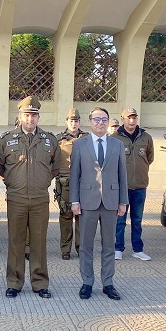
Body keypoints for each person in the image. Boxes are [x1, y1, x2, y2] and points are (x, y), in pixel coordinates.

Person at [0, 96, 61, 299]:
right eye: (26, 115)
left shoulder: (50, 140)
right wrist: (12, 182)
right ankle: (14, 283)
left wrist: (41, 182)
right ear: (20, 116)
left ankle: (40, 282)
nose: (30, 120)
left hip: (40, 199)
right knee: (15, 241)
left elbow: (55, 167)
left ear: (38, 117)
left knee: (39, 241)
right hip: (16, 198)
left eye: (33, 116)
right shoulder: (7, 140)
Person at [69, 107, 127, 300]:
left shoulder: (117, 145)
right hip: (87, 202)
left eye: (104, 119)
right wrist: (74, 201)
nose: (100, 122)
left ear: (109, 122)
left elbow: (122, 176)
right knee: (85, 245)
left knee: (109, 245)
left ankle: (108, 283)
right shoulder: (79, 145)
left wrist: (123, 202)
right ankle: (87, 282)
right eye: (96, 119)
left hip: (111, 201)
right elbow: (74, 175)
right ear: (90, 121)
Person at [112, 107, 154, 261]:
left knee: (137, 220)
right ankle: (118, 248)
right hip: (122, 187)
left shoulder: (146, 137)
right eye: (129, 118)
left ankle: (138, 249)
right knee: (120, 220)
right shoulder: (115, 138)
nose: (132, 121)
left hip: (140, 186)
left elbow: (149, 158)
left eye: (134, 118)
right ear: (122, 119)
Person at [54, 108, 88, 260]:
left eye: (76, 121)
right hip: (65, 182)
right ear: (67, 121)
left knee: (82, 215)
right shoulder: (58, 139)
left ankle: (81, 247)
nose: (74, 123)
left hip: (84, 182)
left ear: (80, 122)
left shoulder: (87, 138)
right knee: (66, 216)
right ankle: (65, 249)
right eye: (71, 121)